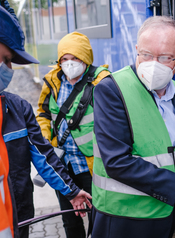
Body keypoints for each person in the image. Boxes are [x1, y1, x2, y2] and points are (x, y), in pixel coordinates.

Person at [91, 16, 175, 238]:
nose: (152, 64)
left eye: (164, 57)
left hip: (164, 218)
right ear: (136, 49)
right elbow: (116, 162)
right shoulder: (112, 90)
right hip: (121, 220)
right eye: (145, 55)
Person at [0, 0, 92, 237]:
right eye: (5, 60)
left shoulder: (17, 109)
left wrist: (71, 191)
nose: (9, 71)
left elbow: (44, 156)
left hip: (19, 220)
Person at [36, 31, 110, 238]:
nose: (70, 64)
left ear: (85, 58)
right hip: (63, 164)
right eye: (65, 59)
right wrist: (44, 138)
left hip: (92, 165)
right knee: (70, 219)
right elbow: (43, 113)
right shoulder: (53, 81)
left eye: (75, 58)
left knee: (98, 219)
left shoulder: (101, 82)